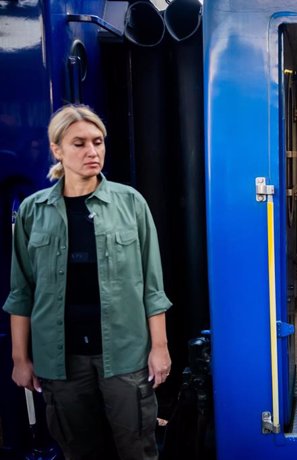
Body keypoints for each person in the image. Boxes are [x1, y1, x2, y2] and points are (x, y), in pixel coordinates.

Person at [3, 104, 172, 460]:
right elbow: (21, 292)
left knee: (137, 449)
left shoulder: (131, 204)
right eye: (78, 143)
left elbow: (152, 287)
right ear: (57, 150)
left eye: (98, 141)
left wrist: (160, 348)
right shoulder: (33, 212)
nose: (92, 152)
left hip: (125, 357)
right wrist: (20, 358)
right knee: (79, 451)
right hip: (60, 362)